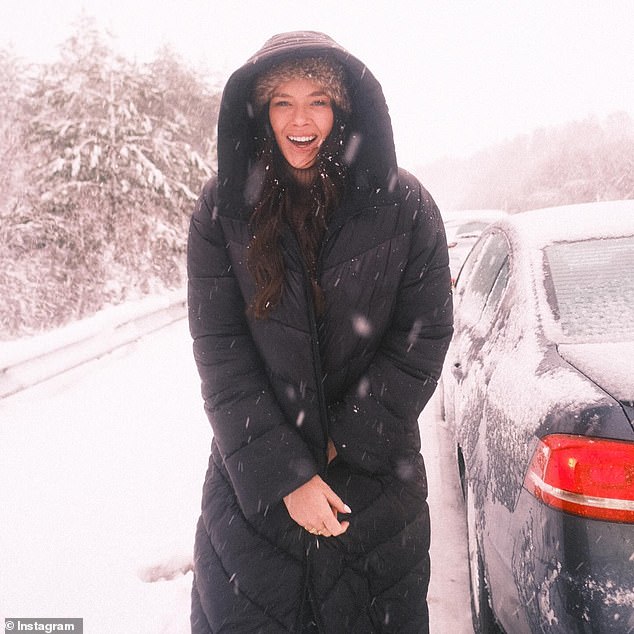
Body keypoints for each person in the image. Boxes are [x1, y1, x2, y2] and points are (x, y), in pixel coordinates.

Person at [187, 30, 453, 633]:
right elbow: (219, 350)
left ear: (343, 108)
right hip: (254, 494)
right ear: (260, 111)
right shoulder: (222, 208)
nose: (300, 119)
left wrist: (340, 446)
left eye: (318, 100)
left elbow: (424, 332)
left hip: (375, 487)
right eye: (282, 101)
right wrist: (287, 474)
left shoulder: (405, 206)